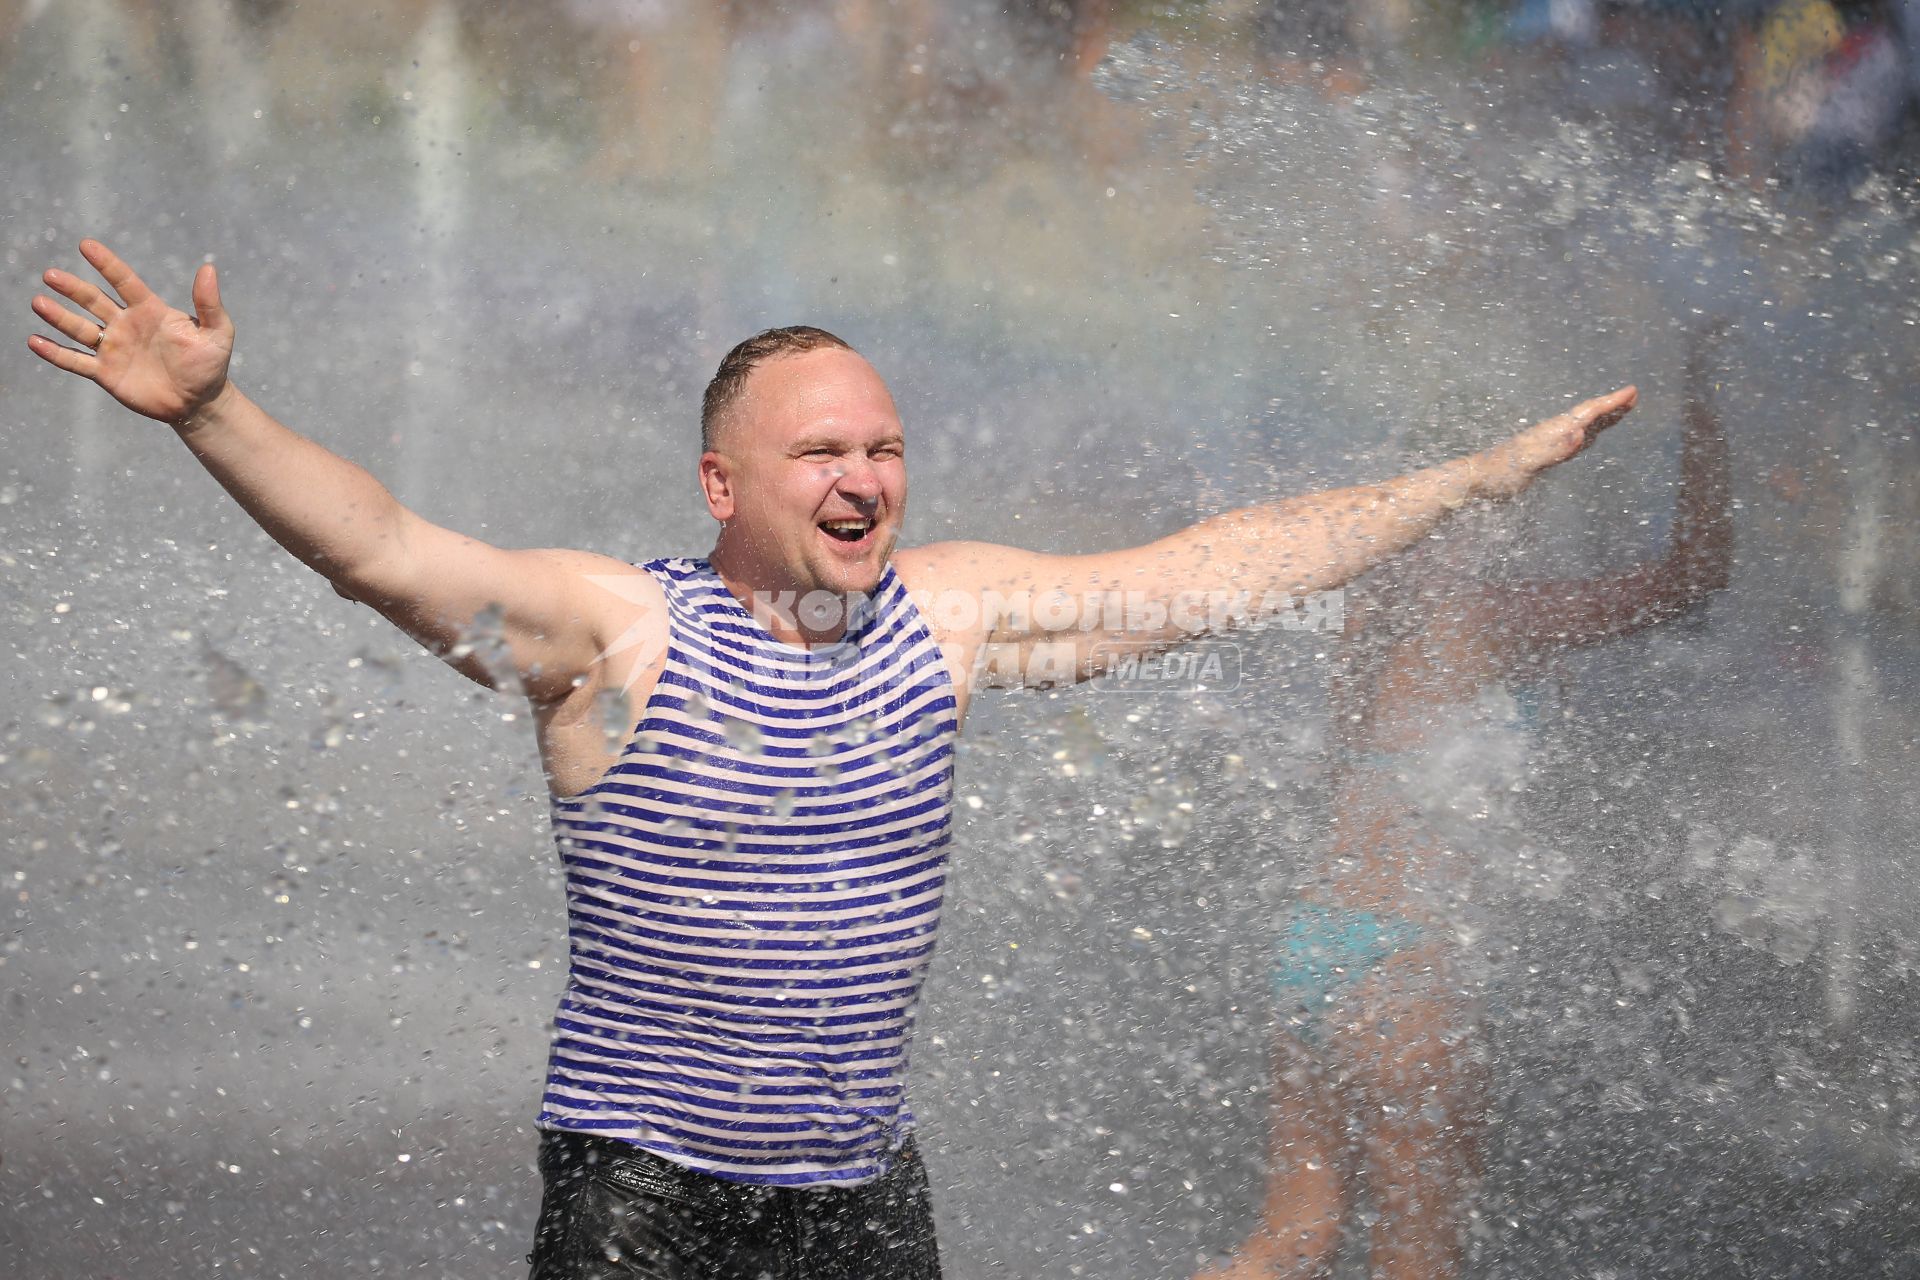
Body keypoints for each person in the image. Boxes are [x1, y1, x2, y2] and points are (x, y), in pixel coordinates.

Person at [28, 238, 1639, 1280]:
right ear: (724, 485)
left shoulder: (951, 620)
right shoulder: (615, 637)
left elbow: (1223, 567)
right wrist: (209, 416)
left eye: (883, 446)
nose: (867, 475)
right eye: (823, 451)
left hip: (864, 1202)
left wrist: (1473, 481)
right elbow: (385, 550)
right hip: (643, 1202)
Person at [1195, 326, 1732, 1280]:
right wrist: (1705, 410)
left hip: (1313, 949)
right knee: (1420, 1256)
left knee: (1294, 1235)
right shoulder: (1483, 620)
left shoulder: (1366, 618)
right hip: (1404, 968)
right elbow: (1688, 583)